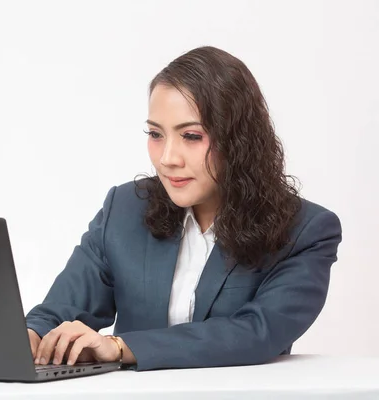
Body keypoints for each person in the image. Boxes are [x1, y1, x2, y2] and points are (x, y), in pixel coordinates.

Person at [24, 46, 342, 371]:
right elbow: (60, 309)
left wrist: (120, 347)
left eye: (191, 136)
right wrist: (31, 335)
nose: (167, 158)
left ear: (239, 140)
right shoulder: (124, 209)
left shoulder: (306, 230)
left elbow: (256, 333)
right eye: (155, 134)